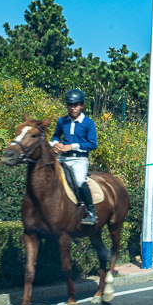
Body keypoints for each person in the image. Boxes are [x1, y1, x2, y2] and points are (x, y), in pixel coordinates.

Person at [50, 89, 98, 225]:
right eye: (70, 105)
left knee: (78, 180)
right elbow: (55, 136)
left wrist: (71, 146)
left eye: (76, 105)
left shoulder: (88, 123)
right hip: (63, 158)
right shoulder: (62, 121)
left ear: (81, 105)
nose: (73, 108)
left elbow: (92, 144)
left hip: (79, 160)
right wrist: (55, 144)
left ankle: (91, 212)